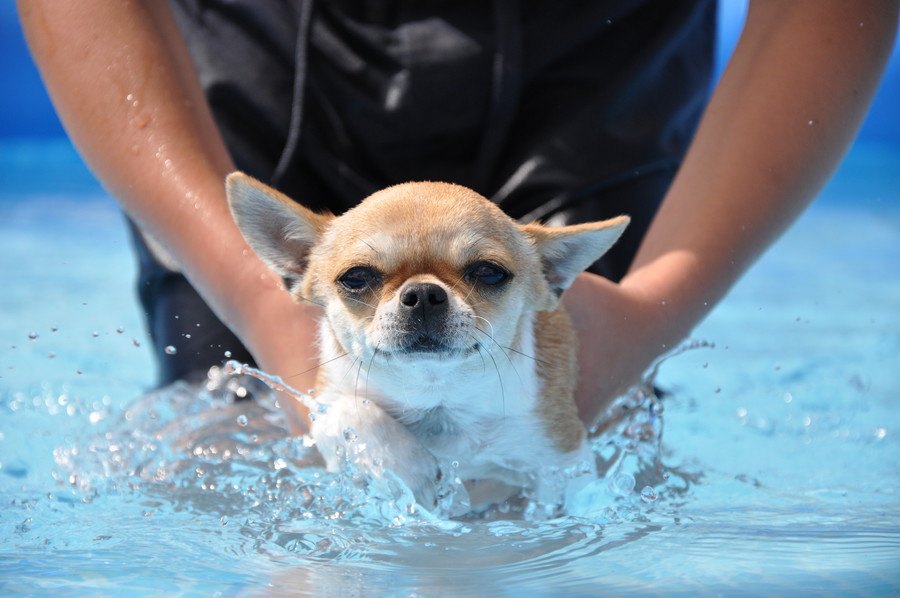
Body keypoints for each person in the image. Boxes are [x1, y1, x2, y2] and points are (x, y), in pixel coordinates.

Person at [18, 1, 898, 432]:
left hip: (590, 78)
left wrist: (653, 312)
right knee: (226, 438)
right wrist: (256, 296)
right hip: (264, 80)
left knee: (604, 451)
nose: (424, 296)